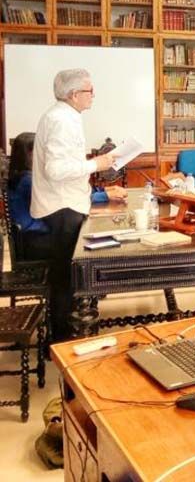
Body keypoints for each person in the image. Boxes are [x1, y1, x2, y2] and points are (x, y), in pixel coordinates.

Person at [31, 69, 116, 341]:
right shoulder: (61, 120)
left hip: (66, 203)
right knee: (65, 280)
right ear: (74, 94)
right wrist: (96, 164)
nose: (93, 96)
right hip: (61, 209)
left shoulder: (64, 116)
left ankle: (63, 336)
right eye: (90, 91)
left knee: (67, 278)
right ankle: (61, 341)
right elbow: (56, 170)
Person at [8, 132, 126, 261]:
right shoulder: (28, 181)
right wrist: (104, 195)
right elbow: (66, 199)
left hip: (40, 235)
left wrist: (104, 191)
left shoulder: (28, 177)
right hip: (36, 239)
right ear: (29, 154)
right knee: (83, 243)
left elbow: (69, 191)